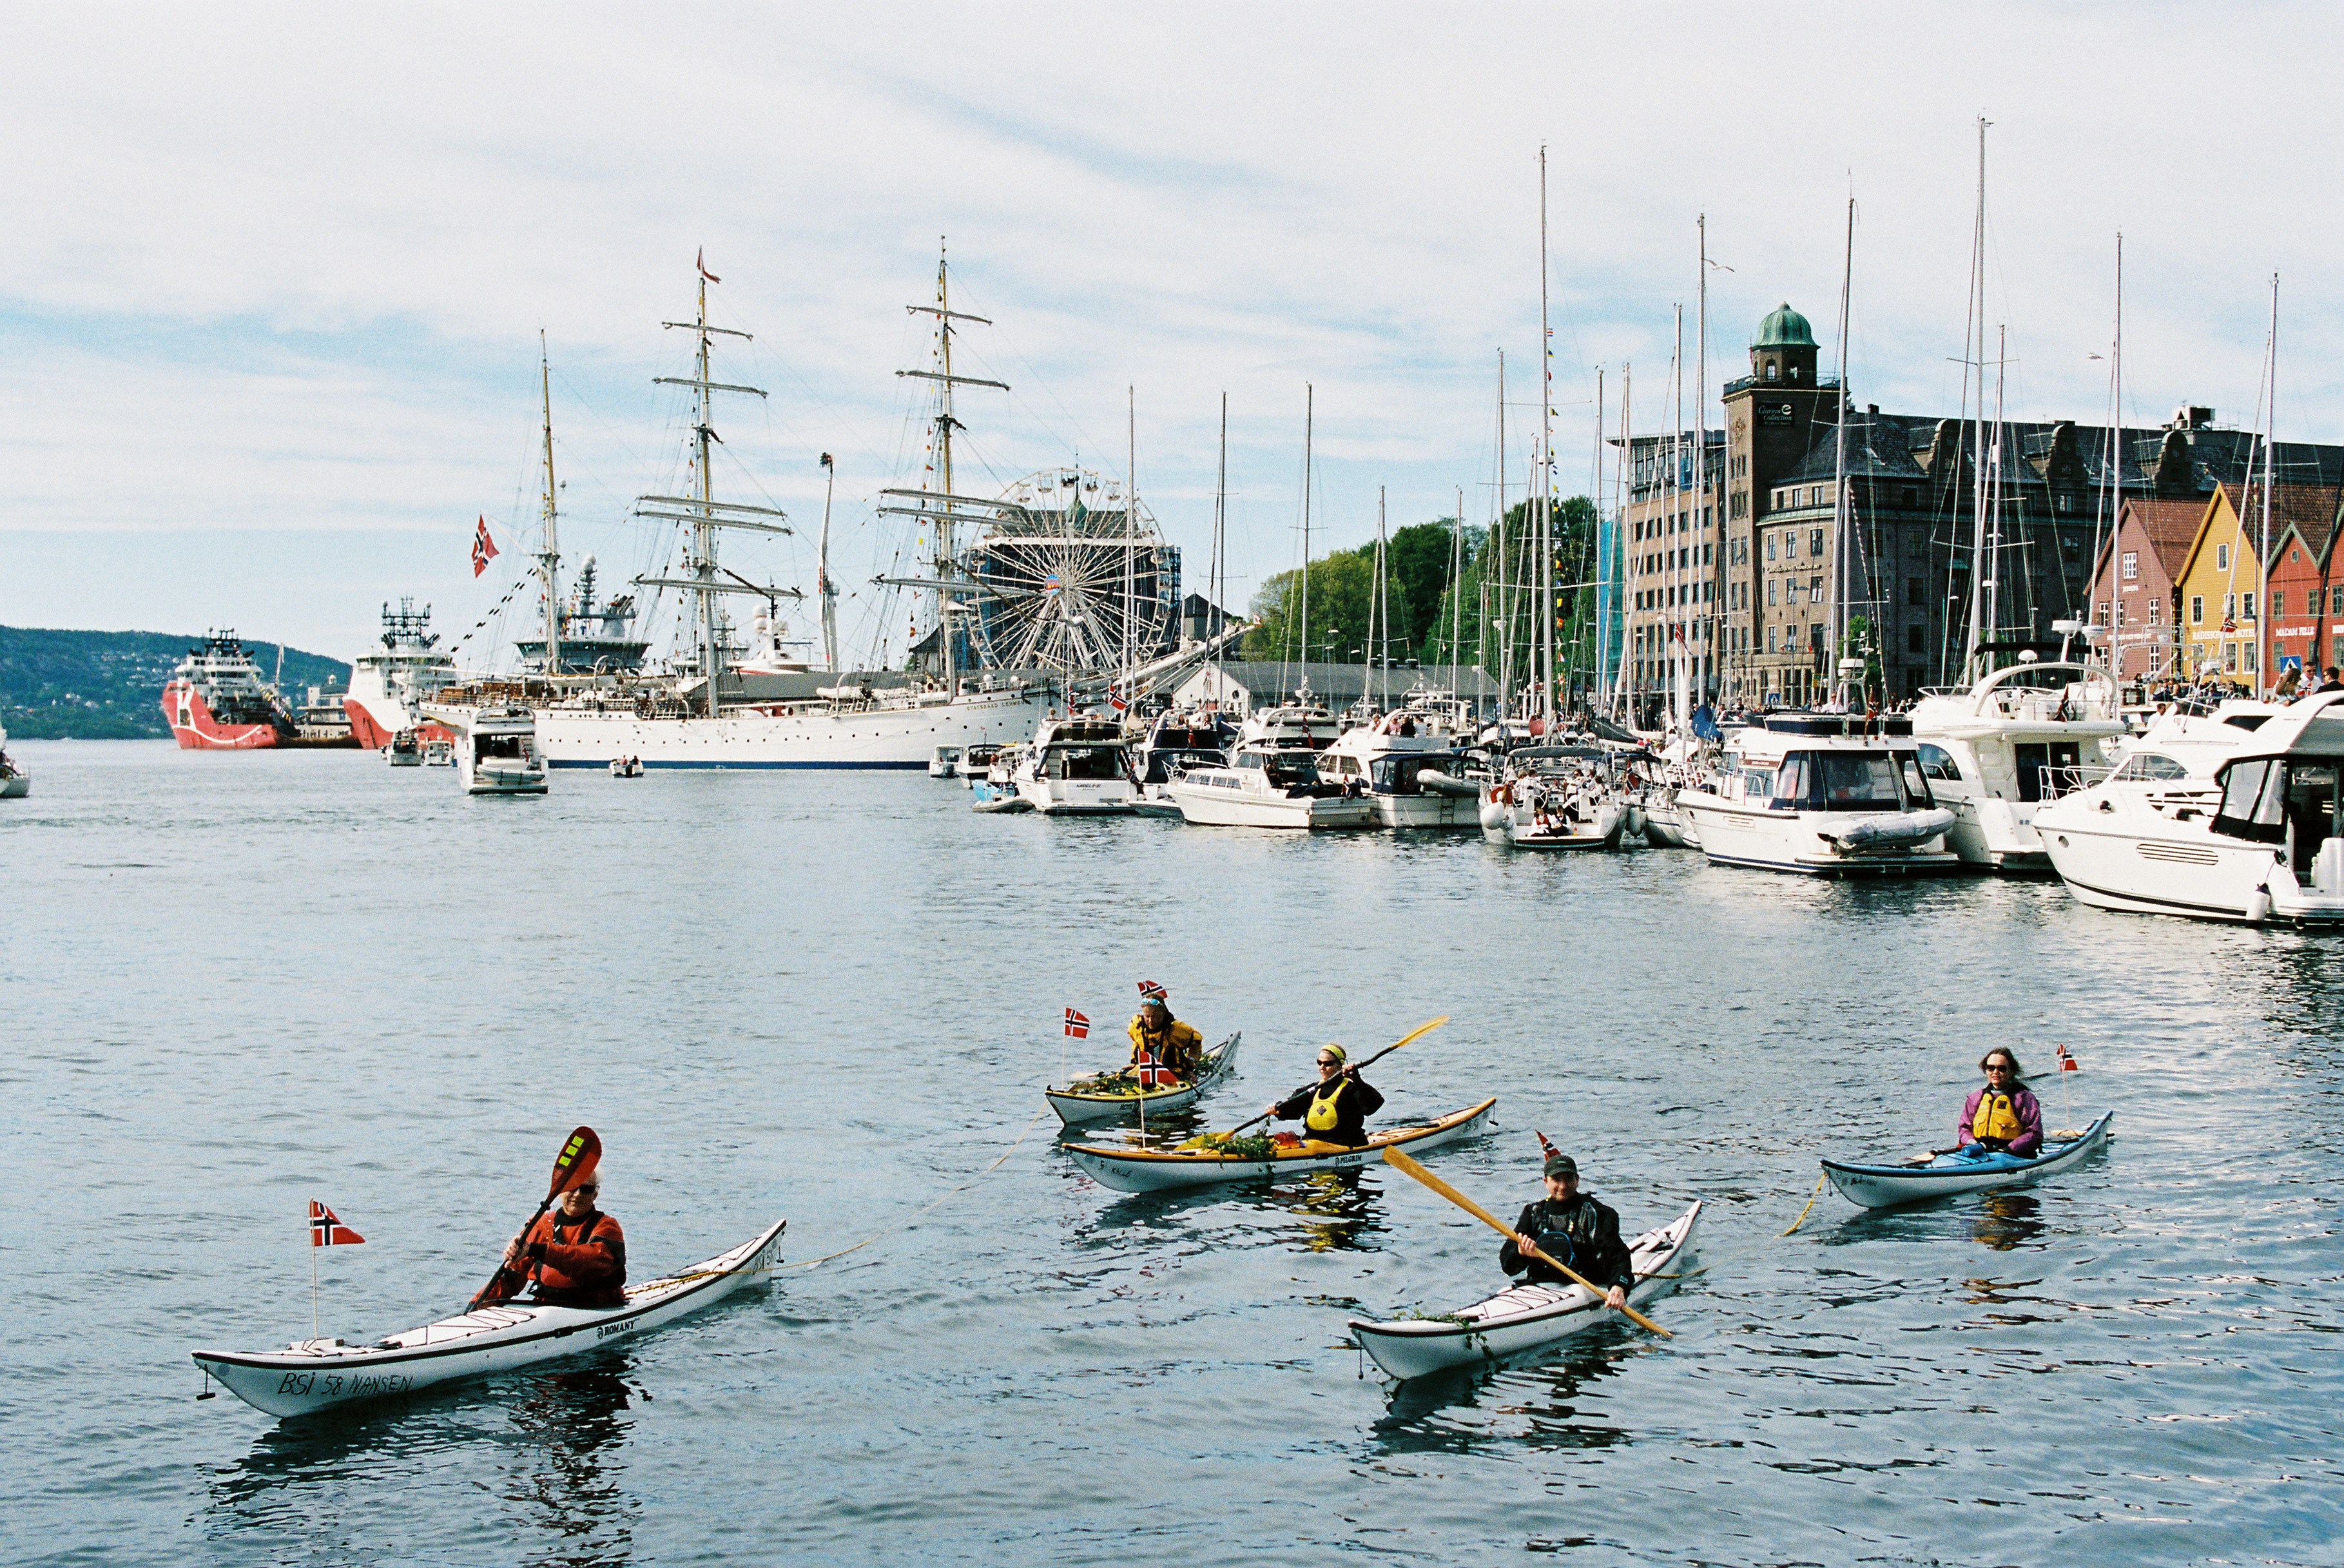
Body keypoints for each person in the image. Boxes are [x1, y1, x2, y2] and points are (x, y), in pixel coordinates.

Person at [1500, 1153, 1631, 1310]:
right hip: (1541, 1288)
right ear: (1545, 1181)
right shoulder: (1533, 1213)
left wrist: (1618, 1286)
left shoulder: (1598, 1213)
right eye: (1556, 1179)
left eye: (1568, 1179)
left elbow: (1616, 1254)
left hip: (1586, 1285)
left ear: (1577, 1180)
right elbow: (1508, 1267)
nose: (1562, 1186)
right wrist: (1520, 1253)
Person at [487, 1174, 627, 1308]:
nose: (578, 1194)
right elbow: (510, 1278)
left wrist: (536, 1250)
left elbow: (586, 1262)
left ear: (595, 1194)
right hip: (547, 1308)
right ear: (561, 1191)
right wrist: (476, 1308)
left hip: (596, 1307)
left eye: (586, 1190)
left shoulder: (608, 1227)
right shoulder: (541, 1224)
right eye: (573, 1187)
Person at [1266, 1043, 1384, 1147]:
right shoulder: (1312, 1090)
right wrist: (1277, 1109)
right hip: (1313, 1144)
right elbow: (1293, 1107)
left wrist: (1357, 1079)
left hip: (1346, 1144)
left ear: (1340, 1065)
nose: (1322, 1067)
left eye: (1328, 1063)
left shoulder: (1351, 1088)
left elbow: (1374, 1104)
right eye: (1319, 1062)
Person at [1956, 1049, 2043, 1160]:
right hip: (1979, 1153)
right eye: (1991, 1068)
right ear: (1986, 1070)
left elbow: (2034, 1133)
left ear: (2011, 1071)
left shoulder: (2024, 1099)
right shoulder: (1975, 1098)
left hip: (2013, 1155)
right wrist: (1973, 1144)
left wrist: (2007, 1150)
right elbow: (1964, 1129)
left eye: (2002, 1068)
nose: (1995, 1072)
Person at [1127, 991, 1203, 1081]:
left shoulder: (1176, 1029)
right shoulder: (1137, 1026)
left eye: (1154, 1017)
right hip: (1144, 1071)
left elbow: (1197, 1041)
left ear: (1162, 1014)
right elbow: (1136, 1043)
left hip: (1173, 1072)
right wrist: (1134, 1062)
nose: (1151, 1021)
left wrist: (1190, 1067)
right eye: (1147, 1017)